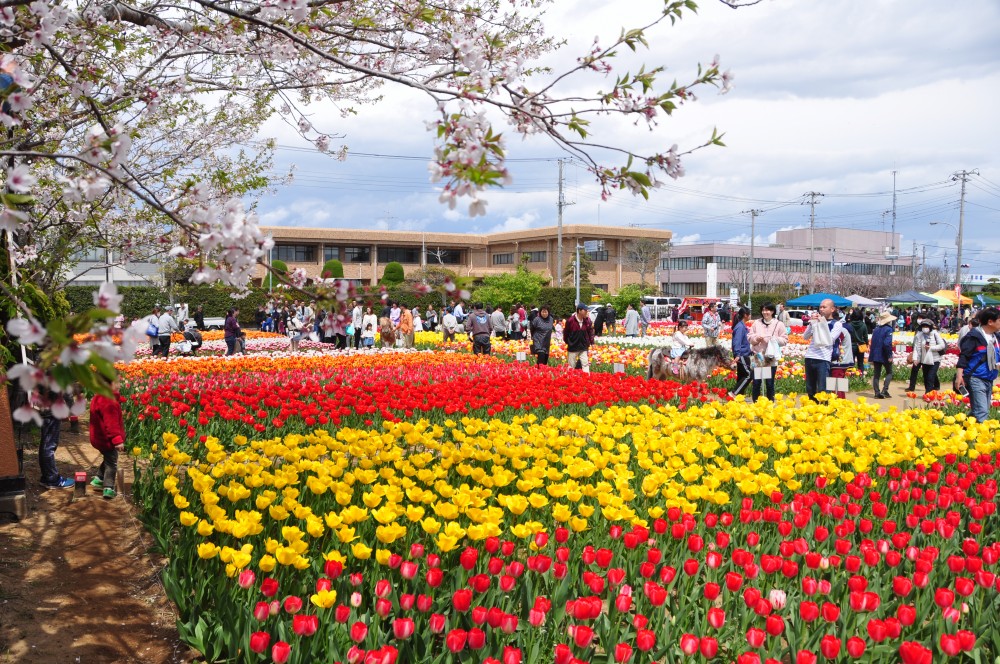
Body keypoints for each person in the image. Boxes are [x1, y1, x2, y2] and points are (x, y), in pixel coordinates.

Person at [956, 308, 1000, 423]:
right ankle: (979, 438)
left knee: (979, 410)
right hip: (975, 377)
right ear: (990, 322)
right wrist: (959, 376)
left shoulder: (996, 337)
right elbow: (963, 357)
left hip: (989, 377)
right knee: (982, 411)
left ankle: (963, 429)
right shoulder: (974, 336)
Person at [803, 298, 849, 401]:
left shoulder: (837, 324)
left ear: (832, 309)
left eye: (824, 307)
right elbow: (805, 337)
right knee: (810, 389)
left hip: (823, 359)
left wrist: (822, 323)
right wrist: (812, 323)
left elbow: (829, 340)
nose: (821, 309)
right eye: (820, 307)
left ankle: (824, 412)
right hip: (810, 356)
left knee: (823, 390)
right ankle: (812, 411)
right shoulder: (815, 322)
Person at [88, 380, 126, 499]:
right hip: (107, 439)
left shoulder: (99, 396)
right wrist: (117, 440)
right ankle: (108, 487)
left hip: (99, 437)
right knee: (112, 463)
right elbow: (111, 424)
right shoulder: (109, 402)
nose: (120, 384)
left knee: (108, 458)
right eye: (117, 381)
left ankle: (99, 479)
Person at [748, 303, 788, 401]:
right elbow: (749, 337)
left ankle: (770, 404)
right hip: (758, 356)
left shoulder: (779, 324)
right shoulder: (756, 323)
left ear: (772, 311)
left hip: (771, 357)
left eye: (767, 310)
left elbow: (785, 340)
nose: (765, 312)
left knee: (769, 383)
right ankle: (756, 405)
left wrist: (774, 339)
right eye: (763, 310)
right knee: (756, 382)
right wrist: (756, 338)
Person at [907, 319, 946, 394]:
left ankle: (928, 393)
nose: (925, 328)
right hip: (924, 359)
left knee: (930, 376)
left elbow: (942, 345)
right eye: (923, 326)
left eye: (927, 326)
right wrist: (915, 359)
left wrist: (931, 348)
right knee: (925, 376)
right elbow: (917, 348)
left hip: (935, 359)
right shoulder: (919, 335)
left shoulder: (935, 334)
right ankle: (928, 391)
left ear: (930, 327)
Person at [869, 312, 896, 398]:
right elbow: (887, 343)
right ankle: (885, 390)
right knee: (889, 372)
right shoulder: (888, 329)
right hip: (884, 354)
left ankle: (877, 392)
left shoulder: (876, 329)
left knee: (876, 374)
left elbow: (873, 342)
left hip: (876, 353)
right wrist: (889, 355)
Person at [564, 303, 595, 372]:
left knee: (585, 364)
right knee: (571, 365)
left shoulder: (587, 321)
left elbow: (590, 332)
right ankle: (570, 380)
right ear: (579, 311)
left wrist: (592, 342)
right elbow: (566, 333)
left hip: (583, 346)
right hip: (573, 346)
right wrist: (569, 342)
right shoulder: (570, 321)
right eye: (585, 310)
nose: (587, 312)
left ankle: (586, 378)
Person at [729, 307, 752, 398]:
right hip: (742, 354)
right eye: (749, 314)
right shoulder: (740, 327)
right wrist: (737, 354)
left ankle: (739, 396)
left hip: (745, 353)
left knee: (742, 375)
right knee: (749, 375)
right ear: (745, 315)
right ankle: (734, 393)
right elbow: (736, 341)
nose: (750, 316)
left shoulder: (742, 325)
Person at [848, 310, 869, 374]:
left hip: (852, 345)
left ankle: (852, 377)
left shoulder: (849, 325)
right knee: (860, 363)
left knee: (852, 363)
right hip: (861, 345)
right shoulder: (863, 325)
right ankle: (861, 377)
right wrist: (867, 344)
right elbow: (865, 337)